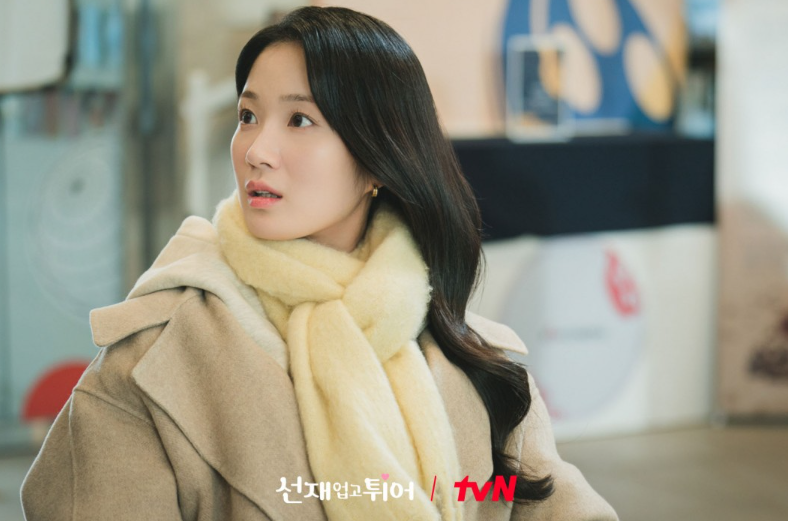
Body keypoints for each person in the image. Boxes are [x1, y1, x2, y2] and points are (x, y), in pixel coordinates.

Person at [21, 6, 618, 521]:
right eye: (248, 116)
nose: (256, 150)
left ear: (380, 157)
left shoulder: (475, 359)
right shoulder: (150, 361)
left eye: (299, 120)